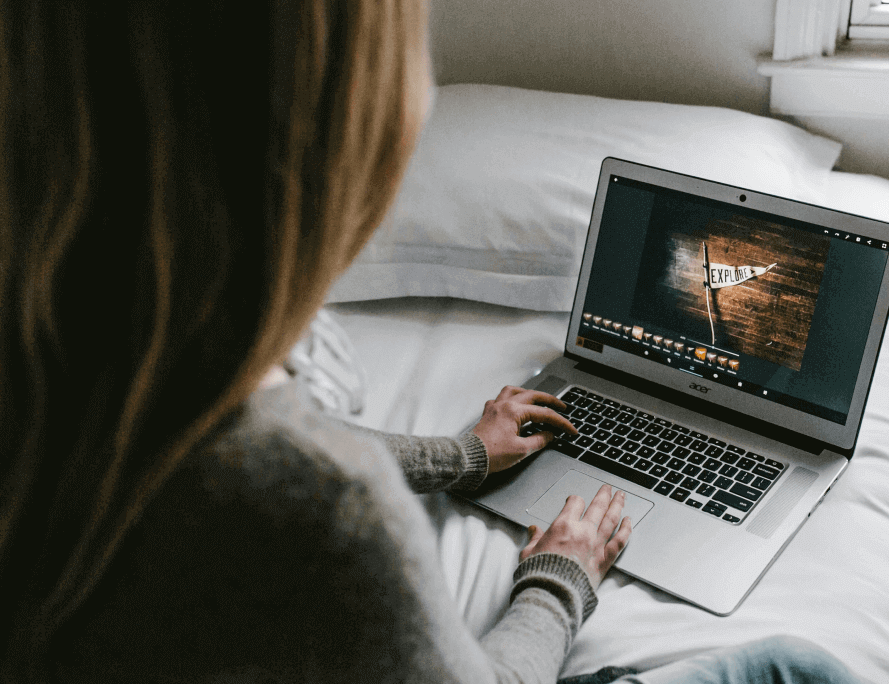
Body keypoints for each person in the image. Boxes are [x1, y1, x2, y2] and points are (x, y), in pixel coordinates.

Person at [0, 1, 629, 681]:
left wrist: (463, 454)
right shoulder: (325, 513)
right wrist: (559, 580)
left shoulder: (64, 348)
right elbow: (269, 471)